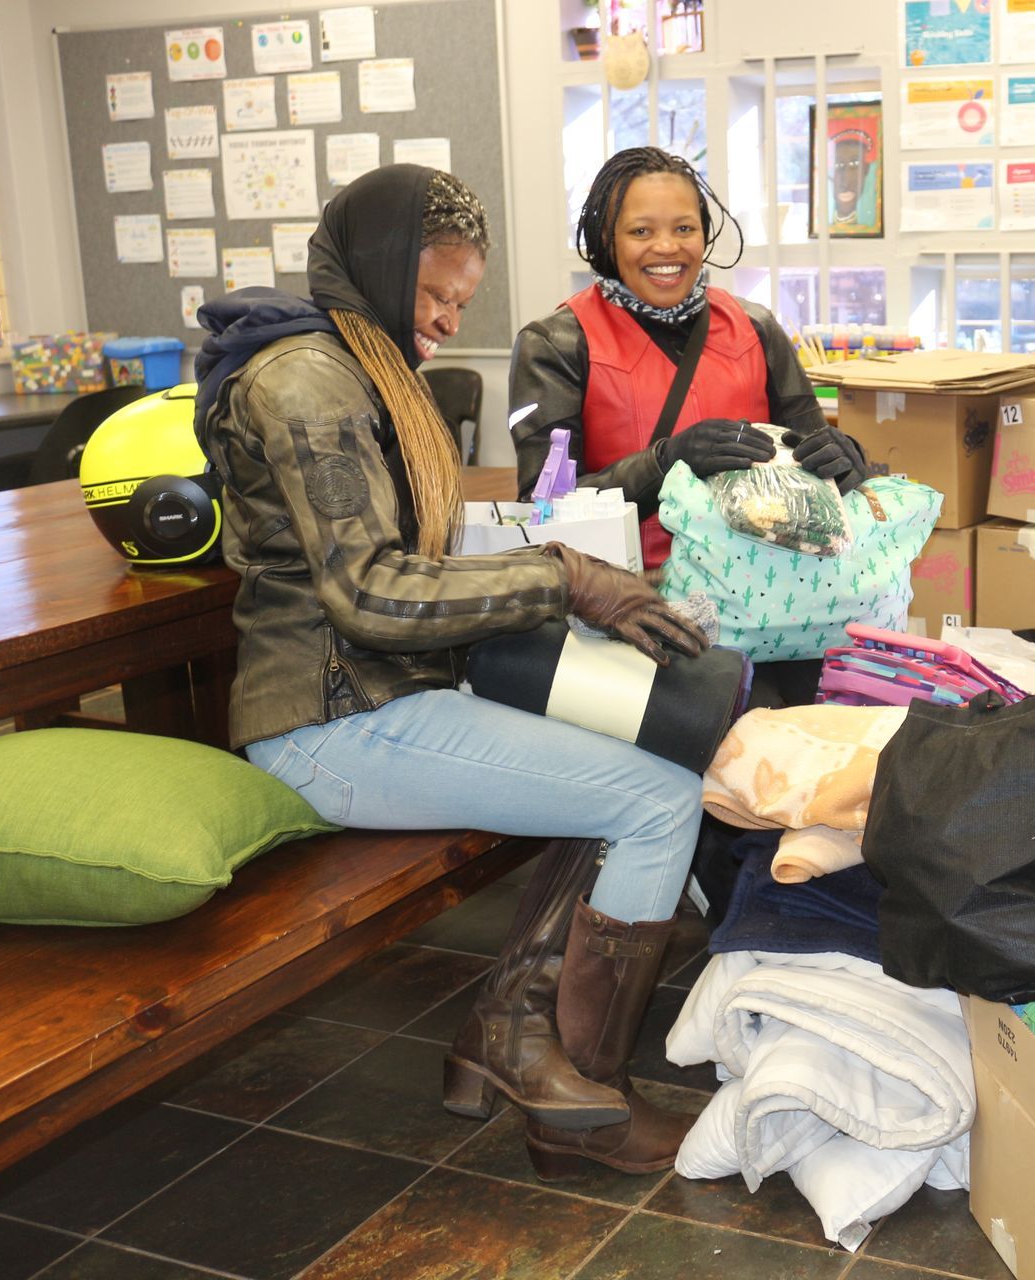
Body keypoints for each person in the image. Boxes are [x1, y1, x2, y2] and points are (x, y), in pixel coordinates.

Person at [195, 164, 707, 1178]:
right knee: (657, 799)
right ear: (380, 270)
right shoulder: (309, 380)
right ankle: (575, 1104)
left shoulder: (354, 361)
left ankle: (511, 1032)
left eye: (460, 302)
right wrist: (561, 578)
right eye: (432, 296)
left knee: (632, 751)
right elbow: (372, 593)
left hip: (383, 697)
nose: (442, 319)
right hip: (330, 722)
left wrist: (558, 581)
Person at [509, 147, 864, 570]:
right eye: (641, 232)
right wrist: (665, 461)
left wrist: (847, 461)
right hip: (625, 598)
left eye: (684, 228)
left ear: (704, 234)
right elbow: (542, 506)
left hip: (759, 594)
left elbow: (813, 467)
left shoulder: (757, 329)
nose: (666, 247)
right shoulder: (555, 344)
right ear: (607, 238)